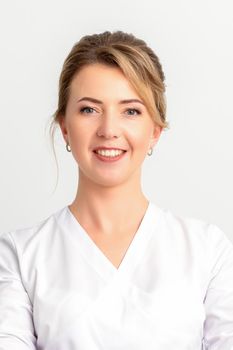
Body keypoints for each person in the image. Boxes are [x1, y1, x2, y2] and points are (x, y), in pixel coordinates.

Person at [0, 30, 233, 350]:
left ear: (155, 131)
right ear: (65, 127)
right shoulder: (20, 255)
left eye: (131, 110)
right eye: (89, 109)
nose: (109, 130)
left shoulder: (207, 250)